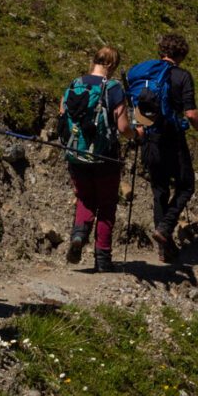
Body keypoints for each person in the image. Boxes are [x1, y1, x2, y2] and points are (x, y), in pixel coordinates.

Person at [133, 33, 198, 264]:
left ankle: (164, 249)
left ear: (162, 51)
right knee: (186, 185)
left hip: (149, 137)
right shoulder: (182, 76)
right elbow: (190, 114)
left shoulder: (146, 73)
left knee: (159, 191)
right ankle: (166, 227)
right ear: (181, 54)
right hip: (173, 139)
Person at [60, 45, 135, 274]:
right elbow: (122, 127)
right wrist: (136, 133)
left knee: (84, 198)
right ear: (111, 65)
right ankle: (103, 258)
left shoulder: (74, 84)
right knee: (106, 206)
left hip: (76, 154)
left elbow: (62, 115)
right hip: (105, 157)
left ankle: (79, 235)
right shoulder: (113, 88)